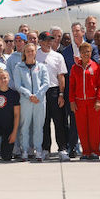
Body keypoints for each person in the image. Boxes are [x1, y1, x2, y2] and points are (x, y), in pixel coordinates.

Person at [62, 22, 99, 158]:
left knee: (90, 124)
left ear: (83, 32)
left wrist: (81, 61)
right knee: (75, 122)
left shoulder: (92, 48)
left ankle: (91, 149)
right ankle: (73, 147)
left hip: (90, 93)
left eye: (77, 31)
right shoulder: (66, 51)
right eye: (73, 31)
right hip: (74, 93)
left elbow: (95, 65)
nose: (75, 33)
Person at [13, 42, 50, 161]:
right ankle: (25, 150)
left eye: (32, 51)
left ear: (35, 52)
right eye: (28, 51)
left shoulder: (42, 66)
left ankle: (38, 150)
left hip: (39, 100)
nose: (30, 53)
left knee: (38, 126)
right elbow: (18, 85)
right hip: (26, 100)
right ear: (24, 53)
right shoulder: (19, 67)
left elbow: (46, 83)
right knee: (25, 126)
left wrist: (38, 95)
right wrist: (29, 95)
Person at [37, 31, 69, 161]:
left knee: (59, 121)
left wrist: (61, 94)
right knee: (44, 122)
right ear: (40, 41)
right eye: (45, 40)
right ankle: (45, 149)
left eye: (50, 40)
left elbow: (61, 76)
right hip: (40, 91)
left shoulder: (57, 56)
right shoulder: (36, 55)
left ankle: (62, 148)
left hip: (54, 91)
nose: (48, 42)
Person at [69, 42, 100, 159]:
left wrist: (99, 100)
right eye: (83, 52)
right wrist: (72, 101)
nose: (85, 54)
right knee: (82, 127)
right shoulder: (75, 68)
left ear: (91, 52)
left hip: (93, 102)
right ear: (80, 53)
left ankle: (95, 151)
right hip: (79, 102)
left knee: (94, 128)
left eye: (88, 51)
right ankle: (86, 151)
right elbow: (72, 86)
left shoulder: (96, 66)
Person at [0, 69, 20, 162]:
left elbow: (17, 114)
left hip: (8, 127)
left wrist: (14, 133)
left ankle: (4, 150)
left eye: (5, 78)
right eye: (0, 78)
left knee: (6, 157)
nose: (3, 80)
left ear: (8, 79)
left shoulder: (14, 94)